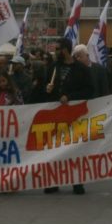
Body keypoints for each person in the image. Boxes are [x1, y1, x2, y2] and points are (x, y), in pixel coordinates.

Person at [45, 38, 94, 195]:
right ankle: (53, 181)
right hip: (56, 114)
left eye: (58, 49)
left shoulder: (81, 69)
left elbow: (89, 90)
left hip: (74, 115)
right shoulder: (53, 67)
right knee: (54, 149)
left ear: (65, 49)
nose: (56, 52)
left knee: (74, 149)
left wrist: (70, 97)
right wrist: (47, 88)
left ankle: (77, 182)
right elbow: (43, 88)